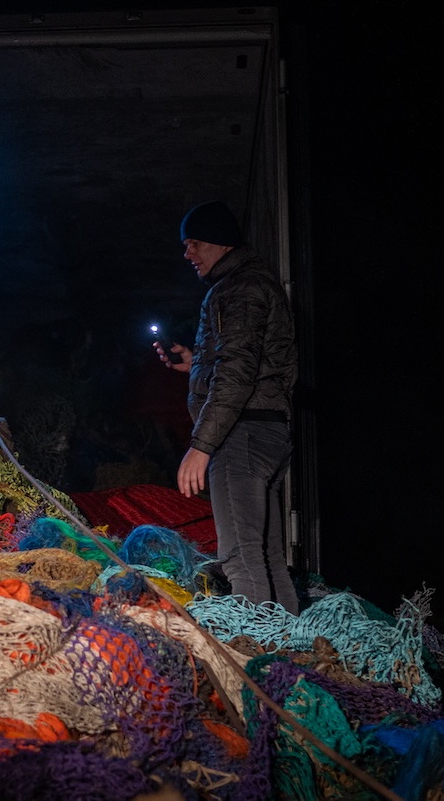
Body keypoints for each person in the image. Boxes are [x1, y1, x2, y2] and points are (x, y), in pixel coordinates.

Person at [154, 201, 300, 613]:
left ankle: (257, 662)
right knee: (269, 559)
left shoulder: (237, 290)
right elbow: (253, 364)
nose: (188, 255)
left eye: (194, 243)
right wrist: (194, 366)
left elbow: (237, 373)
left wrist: (201, 446)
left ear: (219, 243)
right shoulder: (258, 283)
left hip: (241, 434)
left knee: (240, 558)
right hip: (267, 430)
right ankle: (292, 655)